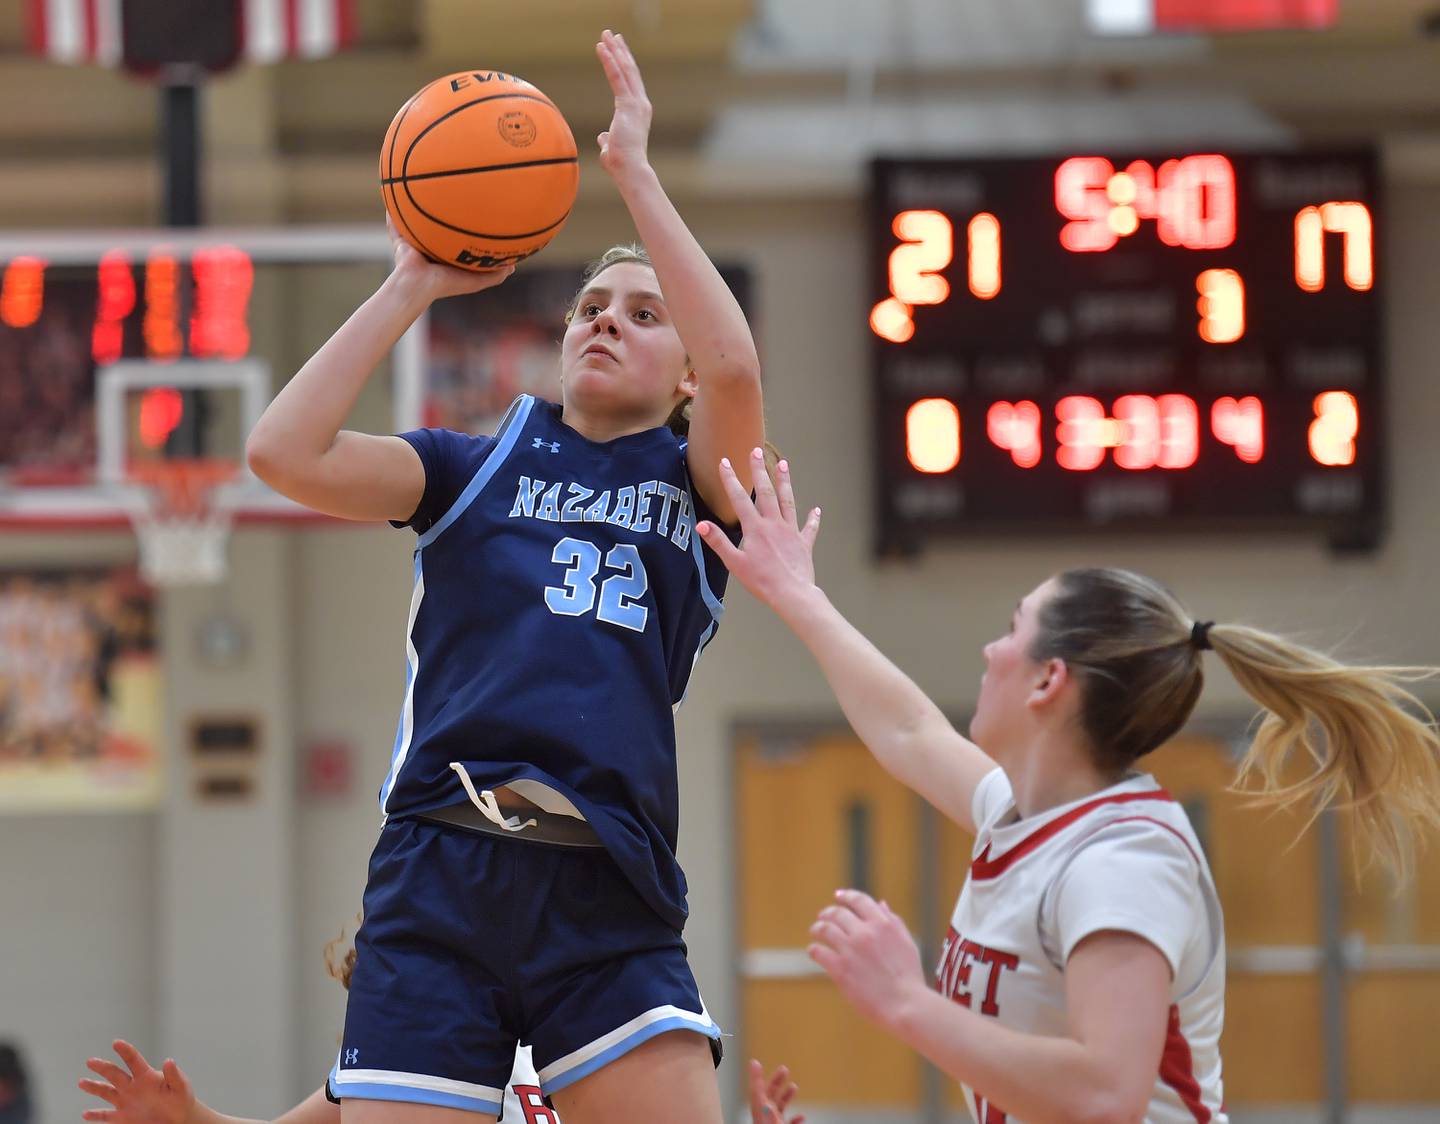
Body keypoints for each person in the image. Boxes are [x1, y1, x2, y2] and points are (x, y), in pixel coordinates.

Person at [243, 28, 765, 1124]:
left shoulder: (703, 482)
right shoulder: (466, 468)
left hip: (607, 886)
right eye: (589, 307)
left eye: (642, 312)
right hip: (441, 865)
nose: (605, 322)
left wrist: (635, 174)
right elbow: (282, 452)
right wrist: (405, 285)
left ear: (678, 378)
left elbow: (735, 364)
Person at [696, 451, 1440, 1124]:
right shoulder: (1023, 816)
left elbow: (1104, 1092)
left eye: (1011, 628)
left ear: (1051, 679)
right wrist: (798, 595)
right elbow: (910, 731)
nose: (989, 650)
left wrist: (906, 1002)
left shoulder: (1122, 863)